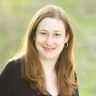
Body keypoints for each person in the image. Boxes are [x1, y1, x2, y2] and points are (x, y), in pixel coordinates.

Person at [0, 5, 79, 96]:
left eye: (56, 34)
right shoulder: (15, 70)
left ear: (66, 37)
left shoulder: (70, 76)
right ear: (34, 35)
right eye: (43, 33)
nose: (49, 42)